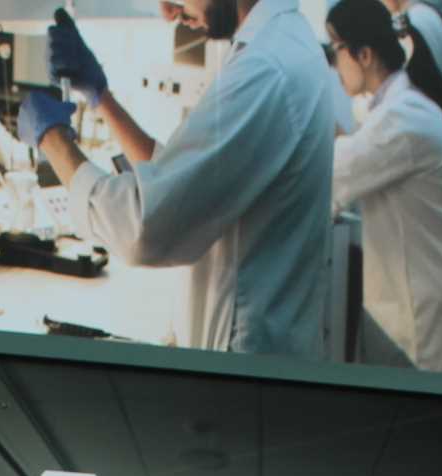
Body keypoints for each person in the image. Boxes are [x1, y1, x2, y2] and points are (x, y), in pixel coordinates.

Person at [30, 1, 340, 357]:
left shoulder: (266, 68)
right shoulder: (282, 44)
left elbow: (144, 228)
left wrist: (50, 138)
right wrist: (101, 97)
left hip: (242, 370)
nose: (168, 11)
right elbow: (189, 182)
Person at [326, 1, 442, 372]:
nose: (334, 67)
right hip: (424, 306)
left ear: (364, 55)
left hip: (425, 322)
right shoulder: (405, 108)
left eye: (335, 51)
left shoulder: (406, 117)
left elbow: (329, 177)